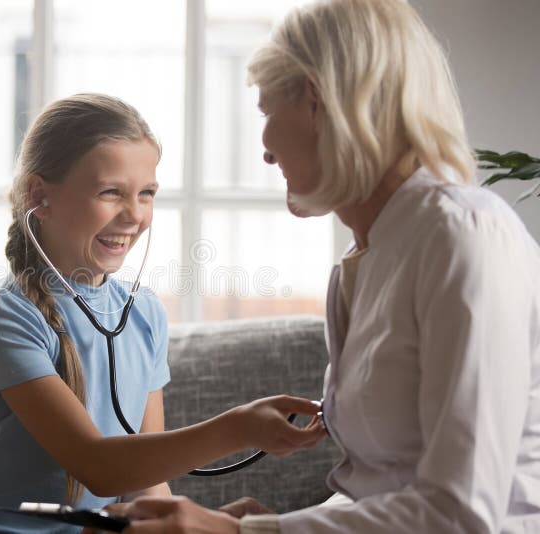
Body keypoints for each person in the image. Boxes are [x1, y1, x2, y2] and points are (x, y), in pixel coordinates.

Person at [115, 0, 540, 532]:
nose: (266, 150)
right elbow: (377, 491)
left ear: (320, 103)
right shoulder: (366, 261)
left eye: (267, 111)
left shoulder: (463, 236)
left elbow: (460, 514)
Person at [0, 93, 325, 533]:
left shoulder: (144, 313)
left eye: (147, 194)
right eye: (111, 192)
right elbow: (98, 466)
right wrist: (240, 429)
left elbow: (145, 488)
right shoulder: (5, 317)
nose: (134, 215)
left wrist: (206, 524)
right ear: (40, 196)